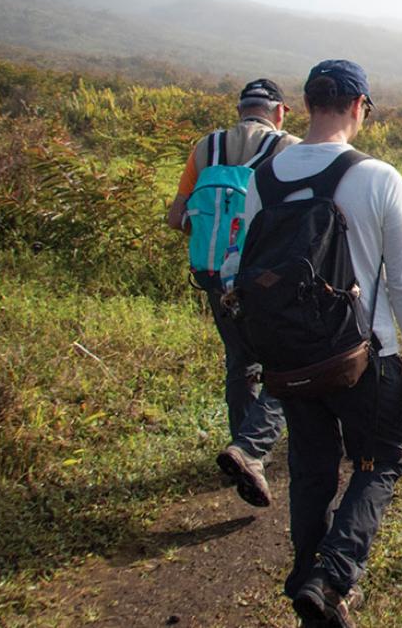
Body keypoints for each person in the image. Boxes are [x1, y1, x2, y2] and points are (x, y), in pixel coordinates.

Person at [240, 59, 402, 626]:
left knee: (311, 468)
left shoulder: (264, 178)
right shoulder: (378, 177)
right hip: (365, 358)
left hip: (291, 357)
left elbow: (242, 267)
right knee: (380, 464)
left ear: (305, 106)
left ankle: (307, 576)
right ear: (358, 107)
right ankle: (332, 575)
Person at [165, 78, 299, 507]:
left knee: (240, 362)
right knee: (291, 364)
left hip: (212, 277)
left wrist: (217, 236)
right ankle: (250, 450)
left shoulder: (205, 148)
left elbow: (175, 216)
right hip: (264, 279)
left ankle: (242, 446)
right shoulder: (288, 148)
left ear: (240, 110)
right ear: (280, 112)